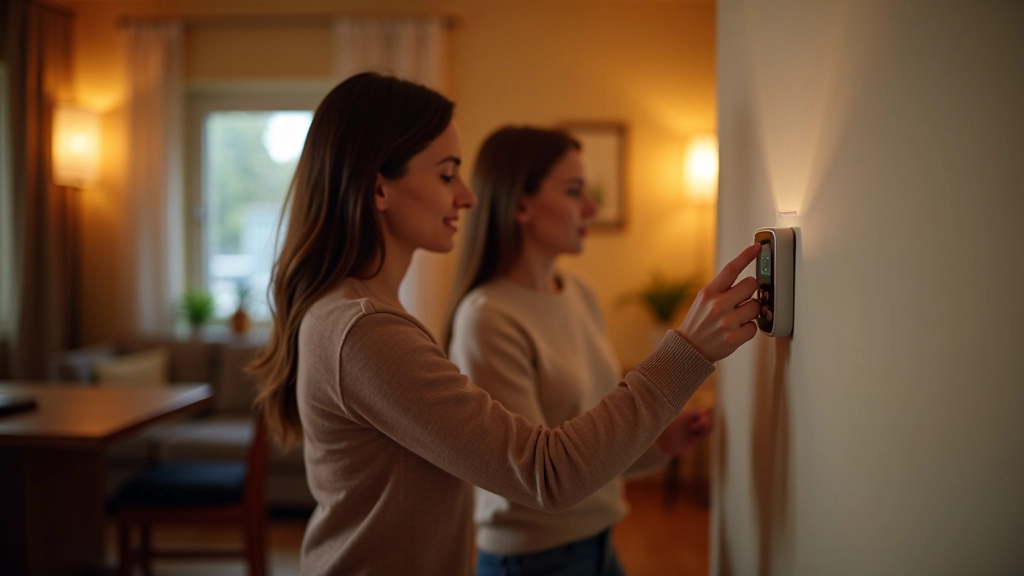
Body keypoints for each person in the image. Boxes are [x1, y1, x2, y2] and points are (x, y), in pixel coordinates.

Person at [249, 73, 761, 575]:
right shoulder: (364, 330)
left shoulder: (357, 316)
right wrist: (687, 352)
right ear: (378, 188)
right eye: (447, 174)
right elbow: (547, 473)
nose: (468, 196)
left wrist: (657, 439)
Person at [446, 126, 715, 576]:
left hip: (599, 544)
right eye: (574, 192)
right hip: (533, 558)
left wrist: (658, 440)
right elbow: (539, 478)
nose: (591, 208)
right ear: (522, 204)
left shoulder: (580, 294)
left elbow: (594, 436)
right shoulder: (487, 317)